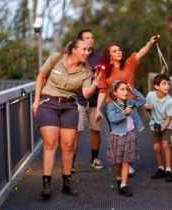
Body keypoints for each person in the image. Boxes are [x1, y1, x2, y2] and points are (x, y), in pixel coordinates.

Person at [32, 39, 100, 198]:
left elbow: (85, 94)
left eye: (89, 50)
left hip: (69, 106)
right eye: (84, 49)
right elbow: (41, 77)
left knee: (69, 145)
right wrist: (36, 101)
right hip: (48, 103)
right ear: (73, 49)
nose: (87, 53)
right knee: (50, 143)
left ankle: (66, 183)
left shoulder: (86, 70)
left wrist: (96, 82)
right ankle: (46, 184)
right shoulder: (55, 58)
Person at [96, 34, 160, 176]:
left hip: (128, 104)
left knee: (129, 133)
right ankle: (120, 163)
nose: (118, 52)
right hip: (111, 106)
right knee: (117, 134)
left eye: (119, 50)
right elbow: (102, 90)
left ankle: (127, 163)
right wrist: (98, 109)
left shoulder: (129, 64)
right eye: (114, 51)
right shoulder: (104, 71)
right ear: (109, 55)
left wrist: (149, 43)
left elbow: (140, 53)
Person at [105, 80, 146, 196]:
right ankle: (118, 178)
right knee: (117, 162)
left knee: (126, 161)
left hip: (130, 134)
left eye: (126, 89)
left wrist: (132, 90)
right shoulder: (111, 106)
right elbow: (112, 119)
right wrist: (124, 114)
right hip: (117, 136)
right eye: (122, 90)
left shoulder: (130, 102)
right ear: (115, 93)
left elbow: (142, 100)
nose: (125, 92)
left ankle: (124, 185)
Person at [72, 29, 103, 171]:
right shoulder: (76, 57)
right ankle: (70, 162)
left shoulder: (100, 57)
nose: (90, 40)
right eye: (87, 38)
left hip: (96, 101)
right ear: (80, 41)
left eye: (92, 37)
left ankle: (94, 159)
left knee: (95, 131)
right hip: (78, 100)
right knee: (76, 132)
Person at [144, 73, 172, 182]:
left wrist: (162, 128)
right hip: (155, 124)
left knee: (165, 145)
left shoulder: (169, 100)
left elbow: (168, 119)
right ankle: (160, 168)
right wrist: (148, 106)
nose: (168, 86)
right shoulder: (150, 95)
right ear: (156, 86)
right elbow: (145, 105)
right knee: (156, 147)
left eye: (168, 84)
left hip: (167, 125)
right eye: (164, 84)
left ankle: (169, 170)